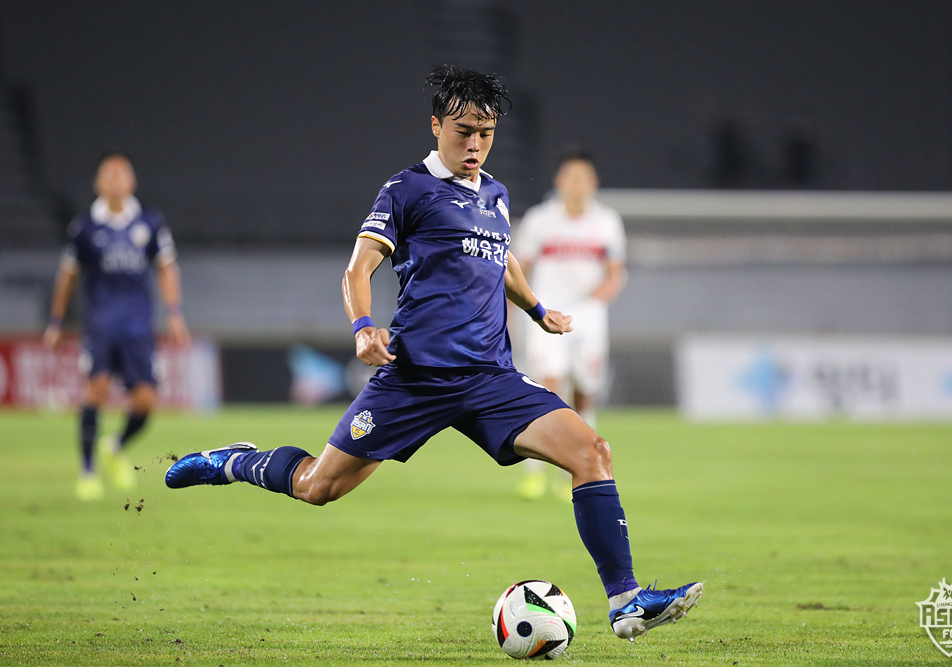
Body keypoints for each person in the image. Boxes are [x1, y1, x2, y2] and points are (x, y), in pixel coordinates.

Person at [164, 66, 701, 641]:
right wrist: (363, 327)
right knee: (318, 487)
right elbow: (357, 269)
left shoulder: (496, 195)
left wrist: (537, 309)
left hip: (490, 378)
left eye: (486, 134)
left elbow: (501, 259)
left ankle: (626, 601)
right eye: (464, 131)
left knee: (593, 452)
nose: (474, 146)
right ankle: (232, 462)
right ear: (436, 125)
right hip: (415, 378)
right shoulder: (406, 190)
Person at [44, 152, 189, 501]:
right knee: (95, 391)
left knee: (146, 401)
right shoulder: (84, 228)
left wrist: (174, 313)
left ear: (132, 181)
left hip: (138, 328)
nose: (115, 180)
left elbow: (167, 267)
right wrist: (56, 321)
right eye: (108, 174)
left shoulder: (150, 223)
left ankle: (115, 446)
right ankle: (87, 472)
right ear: (98, 183)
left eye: (122, 173)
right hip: (100, 326)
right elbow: (67, 276)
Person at [514, 150, 626, 501]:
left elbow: (616, 272)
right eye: (571, 177)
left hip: (588, 319)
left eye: (584, 178)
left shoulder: (607, 221)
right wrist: (514, 310)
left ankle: (573, 472)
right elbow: (518, 271)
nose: (577, 185)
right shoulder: (540, 220)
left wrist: (598, 298)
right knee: (548, 387)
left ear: (594, 183)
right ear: (559, 181)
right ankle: (534, 473)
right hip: (546, 313)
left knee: (583, 393)